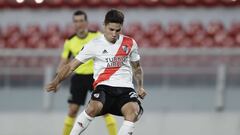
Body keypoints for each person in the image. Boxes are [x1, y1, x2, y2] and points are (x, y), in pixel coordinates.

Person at [46, 9, 147, 135]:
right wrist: (56, 81)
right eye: (111, 29)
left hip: (125, 89)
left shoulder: (130, 43)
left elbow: (137, 68)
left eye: (118, 30)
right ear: (104, 25)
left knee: (133, 112)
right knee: (93, 107)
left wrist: (140, 87)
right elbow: (71, 66)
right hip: (104, 87)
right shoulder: (94, 44)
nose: (114, 34)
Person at [58, 10, 117, 135]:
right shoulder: (69, 41)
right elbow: (63, 62)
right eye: (76, 21)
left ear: (86, 22)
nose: (79, 24)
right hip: (79, 78)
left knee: (105, 109)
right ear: (73, 24)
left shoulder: (97, 36)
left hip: (96, 77)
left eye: (81, 21)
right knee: (73, 111)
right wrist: (58, 79)